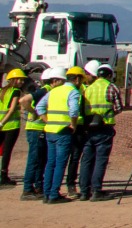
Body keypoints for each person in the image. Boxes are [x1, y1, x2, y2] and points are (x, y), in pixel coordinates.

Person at [36, 67, 79, 204]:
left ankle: (47, 193)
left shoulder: (52, 92)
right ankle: (54, 194)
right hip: (63, 131)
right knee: (60, 164)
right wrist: (73, 124)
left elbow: (39, 108)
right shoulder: (72, 92)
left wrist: (47, 120)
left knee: (50, 163)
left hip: (50, 131)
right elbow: (74, 111)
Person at [76, 61, 118, 202]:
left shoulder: (88, 89)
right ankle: (96, 190)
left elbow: (81, 107)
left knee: (86, 160)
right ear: (109, 75)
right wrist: (107, 114)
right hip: (104, 128)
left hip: (88, 128)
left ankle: (83, 191)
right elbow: (118, 107)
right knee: (100, 160)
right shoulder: (111, 87)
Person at [62, 66, 89, 194]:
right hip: (74, 127)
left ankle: (64, 185)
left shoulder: (58, 90)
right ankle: (70, 184)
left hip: (62, 127)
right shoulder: (75, 91)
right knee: (73, 157)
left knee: (67, 157)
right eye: (81, 79)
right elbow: (74, 110)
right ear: (77, 79)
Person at [19, 71, 46, 199]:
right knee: (34, 160)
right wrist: (35, 113)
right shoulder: (44, 91)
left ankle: (37, 187)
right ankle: (28, 189)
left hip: (39, 129)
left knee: (40, 160)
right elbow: (23, 101)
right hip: (36, 129)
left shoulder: (44, 91)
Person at [1, 67, 23, 186]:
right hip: (11, 126)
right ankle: (3, 176)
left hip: (1, 125)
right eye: (20, 79)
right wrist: (3, 122)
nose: (22, 82)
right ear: (14, 80)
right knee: (6, 152)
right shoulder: (16, 91)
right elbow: (12, 108)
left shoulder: (2, 90)